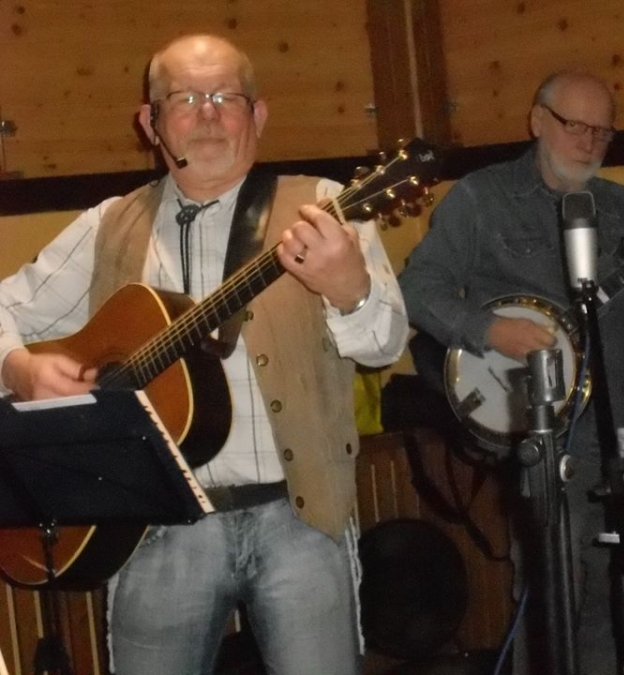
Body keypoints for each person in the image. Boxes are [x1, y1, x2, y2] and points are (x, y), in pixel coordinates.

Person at [0, 35, 408, 674]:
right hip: (153, 530)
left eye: (226, 97)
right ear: (151, 122)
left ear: (259, 115)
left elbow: (385, 345)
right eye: (185, 99)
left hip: (299, 517)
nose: (209, 114)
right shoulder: (109, 224)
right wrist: (18, 368)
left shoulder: (322, 208)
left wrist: (349, 288)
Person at [399, 70, 624, 674]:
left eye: (602, 132)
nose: (589, 142)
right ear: (537, 121)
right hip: (541, 437)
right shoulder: (480, 198)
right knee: (551, 603)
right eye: (575, 126)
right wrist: (488, 330)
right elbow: (416, 287)